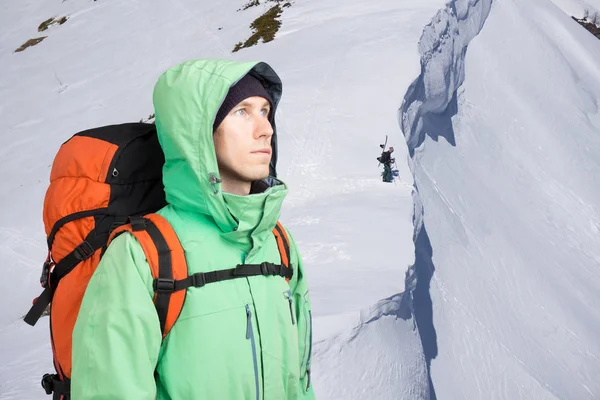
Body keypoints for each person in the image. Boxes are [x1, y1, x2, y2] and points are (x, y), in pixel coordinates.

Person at [71, 59, 315, 399]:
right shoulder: (142, 253)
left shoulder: (278, 241)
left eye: (265, 110)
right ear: (197, 133)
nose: (265, 128)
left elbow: (300, 384)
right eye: (242, 112)